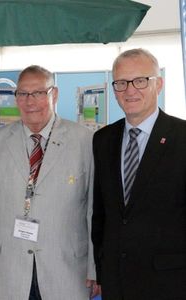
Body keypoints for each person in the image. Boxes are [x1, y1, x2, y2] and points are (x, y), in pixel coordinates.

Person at [0, 65, 98, 299]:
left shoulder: (85, 141)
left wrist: (95, 266)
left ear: (54, 94)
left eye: (38, 93)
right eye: (23, 94)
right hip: (10, 269)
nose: (30, 102)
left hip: (67, 269)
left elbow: (94, 210)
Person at [92, 48, 186, 300]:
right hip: (116, 282)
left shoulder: (182, 137)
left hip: (170, 283)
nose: (130, 90)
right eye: (121, 83)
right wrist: (100, 271)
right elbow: (101, 214)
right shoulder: (102, 140)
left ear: (159, 85)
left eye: (140, 80)